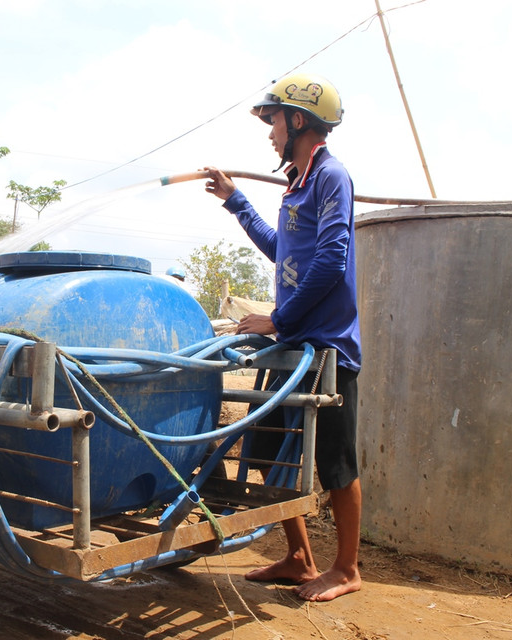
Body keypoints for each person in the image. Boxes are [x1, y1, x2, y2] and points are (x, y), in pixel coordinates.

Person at [203, 72, 362, 602]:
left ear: (298, 120)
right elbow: (284, 252)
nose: (269, 132)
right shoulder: (297, 186)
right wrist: (236, 201)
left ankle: (346, 568)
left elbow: (332, 260)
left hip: (326, 347)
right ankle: (298, 556)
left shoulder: (330, 177)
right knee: (270, 449)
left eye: (272, 120)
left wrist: (276, 318)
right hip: (293, 342)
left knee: (334, 460)